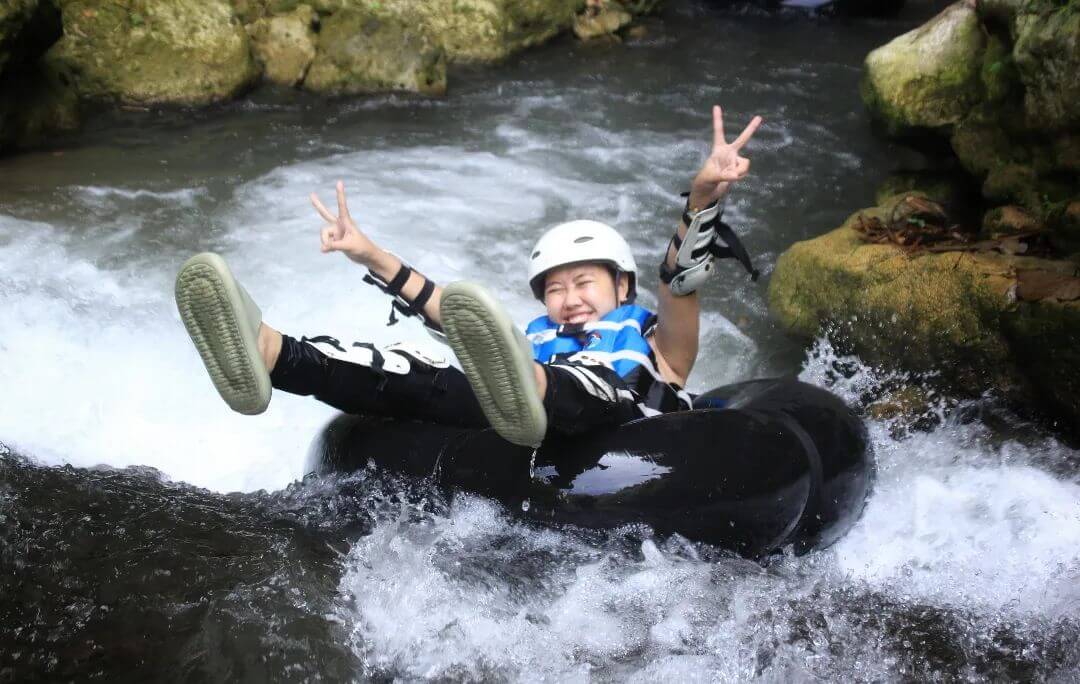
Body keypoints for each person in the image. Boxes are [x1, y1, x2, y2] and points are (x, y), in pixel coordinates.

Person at [174, 105, 762, 448]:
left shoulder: (661, 346)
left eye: (584, 282)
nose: (568, 299)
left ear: (621, 288)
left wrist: (704, 197)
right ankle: (268, 352)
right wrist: (369, 254)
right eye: (554, 288)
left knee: (584, 386)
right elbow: (442, 307)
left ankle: (531, 392)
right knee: (418, 366)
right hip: (518, 407)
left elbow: (679, 280)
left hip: (621, 428)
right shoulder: (527, 341)